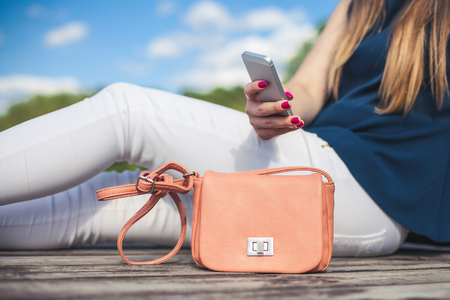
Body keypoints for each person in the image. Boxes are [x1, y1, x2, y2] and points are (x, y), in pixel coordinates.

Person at [1, 0, 449, 256]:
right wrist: (277, 104)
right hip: (315, 160)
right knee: (112, 199)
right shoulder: (360, 5)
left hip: (365, 190)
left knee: (128, 111)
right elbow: (311, 86)